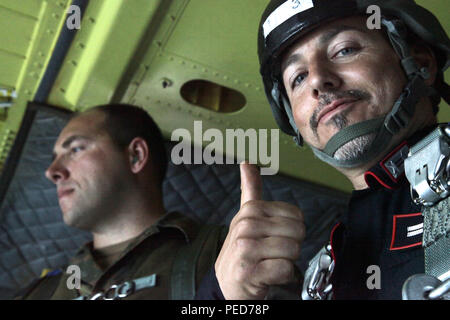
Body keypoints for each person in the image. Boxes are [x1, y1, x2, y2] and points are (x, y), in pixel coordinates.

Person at [196, 0, 449, 300]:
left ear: (421, 64)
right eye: (298, 78)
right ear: (293, 120)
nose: (317, 79)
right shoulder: (325, 275)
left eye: (344, 50)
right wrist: (224, 294)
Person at [17, 104, 224, 300]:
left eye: (76, 149)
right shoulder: (40, 292)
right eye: (54, 158)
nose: (51, 172)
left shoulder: (225, 252)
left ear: (136, 156)